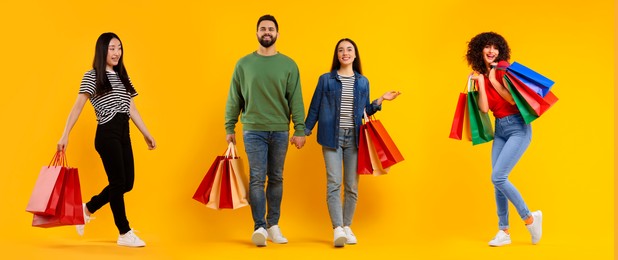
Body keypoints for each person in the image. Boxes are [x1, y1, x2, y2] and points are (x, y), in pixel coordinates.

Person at [57, 32, 156, 248]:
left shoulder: (122, 76)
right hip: (106, 133)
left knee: (126, 183)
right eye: (112, 48)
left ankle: (86, 209)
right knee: (119, 182)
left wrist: (146, 133)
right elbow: (77, 107)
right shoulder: (92, 75)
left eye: (119, 48)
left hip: (123, 132)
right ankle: (124, 231)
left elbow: (131, 107)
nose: (117, 52)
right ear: (102, 50)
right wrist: (65, 134)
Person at [304, 38, 400, 247]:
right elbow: (314, 108)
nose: (345, 53)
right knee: (334, 183)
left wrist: (381, 100)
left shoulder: (363, 82)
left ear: (355, 55)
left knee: (352, 186)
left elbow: (363, 111)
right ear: (337, 55)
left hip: (355, 139)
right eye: (341, 50)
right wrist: (304, 131)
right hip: (331, 137)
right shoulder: (326, 80)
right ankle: (337, 228)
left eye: (349, 49)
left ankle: (347, 226)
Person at [224, 14, 306, 247]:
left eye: (271, 29)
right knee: (257, 178)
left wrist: (299, 129)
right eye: (262, 29)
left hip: (280, 130)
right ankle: (259, 226)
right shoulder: (243, 64)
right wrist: (229, 126)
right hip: (253, 130)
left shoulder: (289, 65)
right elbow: (234, 98)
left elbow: (296, 100)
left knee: (277, 177)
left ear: (277, 34)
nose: (267, 32)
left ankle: (274, 225)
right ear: (257, 33)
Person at [466, 32, 542, 247]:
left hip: (518, 127)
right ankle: (504, 231)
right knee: (496, 182)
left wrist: (492, 79)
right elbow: (484, 108)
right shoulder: (481, 74)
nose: (491, 51)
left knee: (498, 177)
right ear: (479, 50)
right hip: (500, 128)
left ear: (501, 51)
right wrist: (481, 80)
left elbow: (513, 100)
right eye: (487, 47)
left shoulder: (503, 69)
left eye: (495, 47)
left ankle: (530, 218)